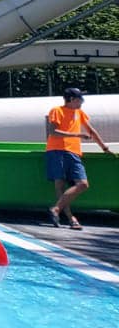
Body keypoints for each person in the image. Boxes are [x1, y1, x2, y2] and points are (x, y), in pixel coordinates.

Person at [46, 87, 113, 230]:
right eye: (80, 98)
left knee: (83, 183)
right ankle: (70, 218)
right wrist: (77, 135)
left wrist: (104, 147)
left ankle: (56, 209)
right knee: (60, 184)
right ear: (71, 99)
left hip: (74, 152)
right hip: (58, 150)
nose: (82, 101)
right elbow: (53, 131)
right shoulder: (57, 110)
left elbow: (91, 130)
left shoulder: (79, 112)